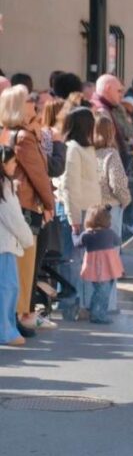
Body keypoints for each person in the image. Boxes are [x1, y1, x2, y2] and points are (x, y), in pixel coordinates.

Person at [0, 85, 56, 338]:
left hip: (18, 201)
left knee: (19, 267)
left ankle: (17, 317)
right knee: (24, 266)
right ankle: (18, 317)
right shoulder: (22, 137)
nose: (33, 103)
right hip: (25, 204)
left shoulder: (11, 133)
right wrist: (49, 204)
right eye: (28, 100)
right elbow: (39, 175)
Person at [53, 107, 101, 321]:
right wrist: (74, 220)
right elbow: (70, 187)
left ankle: (77, 303)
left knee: (80, 261)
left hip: (87, 211)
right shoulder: (72, 149)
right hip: (75, 211)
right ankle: (69, 306)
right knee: (71, 261)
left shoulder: (86, 148)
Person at [92, 115, 131, 313]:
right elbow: (118, 184)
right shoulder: (111, 155)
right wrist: (126, 201)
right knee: (111, 257)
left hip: (91, 210)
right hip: (110, 210)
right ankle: (108, 303)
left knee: (92, 258)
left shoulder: (88, 153)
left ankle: (91, 303)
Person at [0, 145, 35, 346]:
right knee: (7, 289)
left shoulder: (6, 185)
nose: (15, 165)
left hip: (5, 244)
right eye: (13, 161)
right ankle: (5, 331)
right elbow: (14, 219)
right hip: (4, 246)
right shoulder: (4, 188)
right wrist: (27, 238)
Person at [77, 205, 123, 324]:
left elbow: (77, 244)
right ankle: (98, 314)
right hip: (109, 267)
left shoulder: (87, 234)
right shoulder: (109, 233)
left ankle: (95, 311)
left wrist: (74, 234)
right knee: (103, 292)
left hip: (95, 267)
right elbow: (118, 241)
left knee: (99, 290)